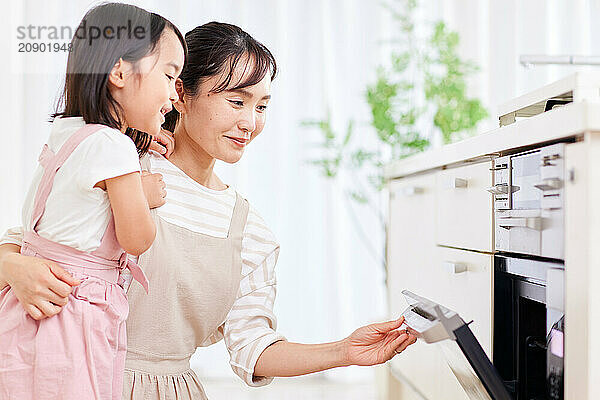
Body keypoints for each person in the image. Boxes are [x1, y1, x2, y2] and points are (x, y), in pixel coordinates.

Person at [0, 22, 416, 400]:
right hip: (76, 376)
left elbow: (252, 346)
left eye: (262, 106)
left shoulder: (248, 229)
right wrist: (13, 267)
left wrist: (343, 351)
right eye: (236, 101)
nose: (250, 122)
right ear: (180, 92)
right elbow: (28, 240)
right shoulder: (121, 168)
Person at [0, 3, 186, 399]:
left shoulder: (67, 132)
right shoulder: (113, 147)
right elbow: (137, 239)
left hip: (22, 307)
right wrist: (140, 190)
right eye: (169, 77)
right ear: (119, 72)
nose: (173, 96)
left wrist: (134, 146)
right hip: (72, 310)